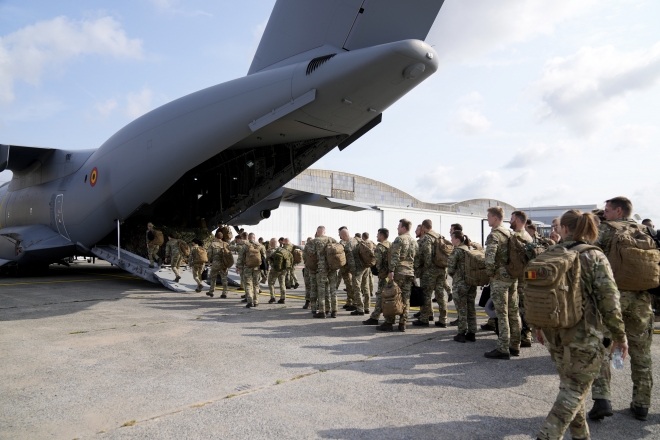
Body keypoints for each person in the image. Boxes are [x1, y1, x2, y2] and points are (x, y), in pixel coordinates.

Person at [535, 209, 628, 440]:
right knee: (574, 390)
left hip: (552, 332)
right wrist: (619, 336)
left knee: (572, 387)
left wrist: (538, 327)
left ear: (564, 228)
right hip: (584, 336)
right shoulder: (594, 256)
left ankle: (581, 436)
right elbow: (610, 301)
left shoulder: (549, 253)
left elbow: (537, 294)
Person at [589, 197, 654, 422]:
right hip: (642, 300)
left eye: (607, 210)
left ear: (618, 211)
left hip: (611, 299)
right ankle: (642, 404)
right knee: (641, 352)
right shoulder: (646, 231)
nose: (604, 214)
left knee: (602, 347)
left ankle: (602, 399)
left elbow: (590, 262)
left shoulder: (604, 230)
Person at [483, 206, 520, 360]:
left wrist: (490, 273)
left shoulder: (494, 235)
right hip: (512, 276)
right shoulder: (510, 233)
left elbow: (489, 258)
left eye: (489, 216)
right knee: (513, 311)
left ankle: (503, 348)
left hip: (500, 279)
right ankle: (515, 345)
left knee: (502, 313)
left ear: (495, 218)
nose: (488, 219)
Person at [377, 219, 418, 332]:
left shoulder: (399, 239)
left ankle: (389, 322)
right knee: (406, 298)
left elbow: (395, 256)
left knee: (392, 296)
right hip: (409, 273)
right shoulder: (414, 241)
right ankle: (402, 323)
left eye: (399, 226)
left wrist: (391, 271)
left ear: (404, 228)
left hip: (399, 272)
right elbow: (417, 258)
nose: (397, 228)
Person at [412, 219, 447, 327]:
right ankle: (443, 319)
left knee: (426, 295)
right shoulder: (439, 236)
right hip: (441, 269)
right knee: (440, 295)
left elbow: (426, 255)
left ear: (423, 227)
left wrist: (423, 269)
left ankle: (424, 319)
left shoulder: (427, 237)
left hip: (430, 271)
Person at [447, 231, 477, 342]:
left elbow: (450, 268)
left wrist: (455, 275)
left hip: (460, 284)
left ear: (457, 240)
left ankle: (461, 333)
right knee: (471, 308)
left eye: (452, 238)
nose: (451, 240)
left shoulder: (457, 251)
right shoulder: (469, 250)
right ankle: (472, 332)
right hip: (471, 283)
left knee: (461, 309)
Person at [510, 210, 534, 348]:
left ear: (518, 220)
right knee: (524, 307)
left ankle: (522, 337)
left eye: (512, 219)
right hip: (526, 278)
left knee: (519, 309)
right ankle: (526, 335)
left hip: (520, 279)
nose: (510, 221)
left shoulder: (518, 237)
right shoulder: (527, 236)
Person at [363, 228, 391, 325]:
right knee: (390, 296)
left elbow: (378, 263)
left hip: (383, 275)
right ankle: (390, 317)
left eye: (378, 235)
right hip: (390, 275)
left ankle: (375, 317)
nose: (376, 236)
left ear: (382, 236)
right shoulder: (390, 245)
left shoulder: (380, 247)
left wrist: (376, 270)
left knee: (380, 296)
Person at [339, 227, 368, 316]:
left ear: (343, 235)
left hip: (357, 269)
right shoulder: (357, 240)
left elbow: (351, 261)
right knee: (365, 287)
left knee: (357, 289)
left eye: (340, 235)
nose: (339, 236)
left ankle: (360, 309)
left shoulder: (348, 245)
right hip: (365, 267)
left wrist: (352, 272)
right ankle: (366, 307)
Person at [314, 226, 339, 318]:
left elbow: (311, 254)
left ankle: (322, 311)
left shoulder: (315, 241)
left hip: (322, 268)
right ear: (325, 231)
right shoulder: (332, 239)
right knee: (333, 290)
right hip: (332, 267)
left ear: (318, 231)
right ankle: (334, 311)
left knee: (321, 290)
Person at [239, 233, 266, 308]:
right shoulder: (260, 246)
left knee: (248, 284)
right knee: (256, 285)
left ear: (249, 238)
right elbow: (264, 257)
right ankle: (256, 301)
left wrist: (239, 266)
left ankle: (250, 301)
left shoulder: (245, 246)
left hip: (247, 267)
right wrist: (264, 268)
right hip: (257, 268)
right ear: (255, 237)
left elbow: (240, 257)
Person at [207, 230, 230, 298]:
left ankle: (211, 291)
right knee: (224, 278)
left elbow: (209, 254)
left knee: (213, 277)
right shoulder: (226, 244)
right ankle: (224, 293)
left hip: (215, 263)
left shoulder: (212, 244)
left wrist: (208, 261)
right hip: (223, 263)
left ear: (216, 237)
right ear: (222, 237)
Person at [337, 227, 355, 310]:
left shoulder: (349, 243)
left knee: (350, 286)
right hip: (346, 268)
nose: (338, 235)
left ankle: (354, 303)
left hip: (349, 268)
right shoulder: (346, 241)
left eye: (339, 234)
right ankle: (349, 302)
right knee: (348, 286)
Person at [266, 238, 287, 304]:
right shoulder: (282, 249)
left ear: (271, 243)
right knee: (282, 283)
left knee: (271, 283)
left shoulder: (270, 250)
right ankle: (282, 298)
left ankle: (272, 297)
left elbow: (266, 259)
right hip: (283, 269)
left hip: (275, 269)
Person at [362, 232, 376, 298]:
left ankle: (364, 291)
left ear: (363, 237)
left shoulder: (362, 243)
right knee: (371, 278)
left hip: (365, 263)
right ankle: (371, 291)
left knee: (364, 279)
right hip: (372, 262)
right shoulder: (372, 242)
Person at [302, 236, 314, 309]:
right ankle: (314, 303)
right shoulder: (316, 247)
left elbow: (303, 258)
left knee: (308, 286)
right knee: (314, 286)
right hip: (315, 269)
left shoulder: (306, 248)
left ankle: (307, 302)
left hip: (307, 268)